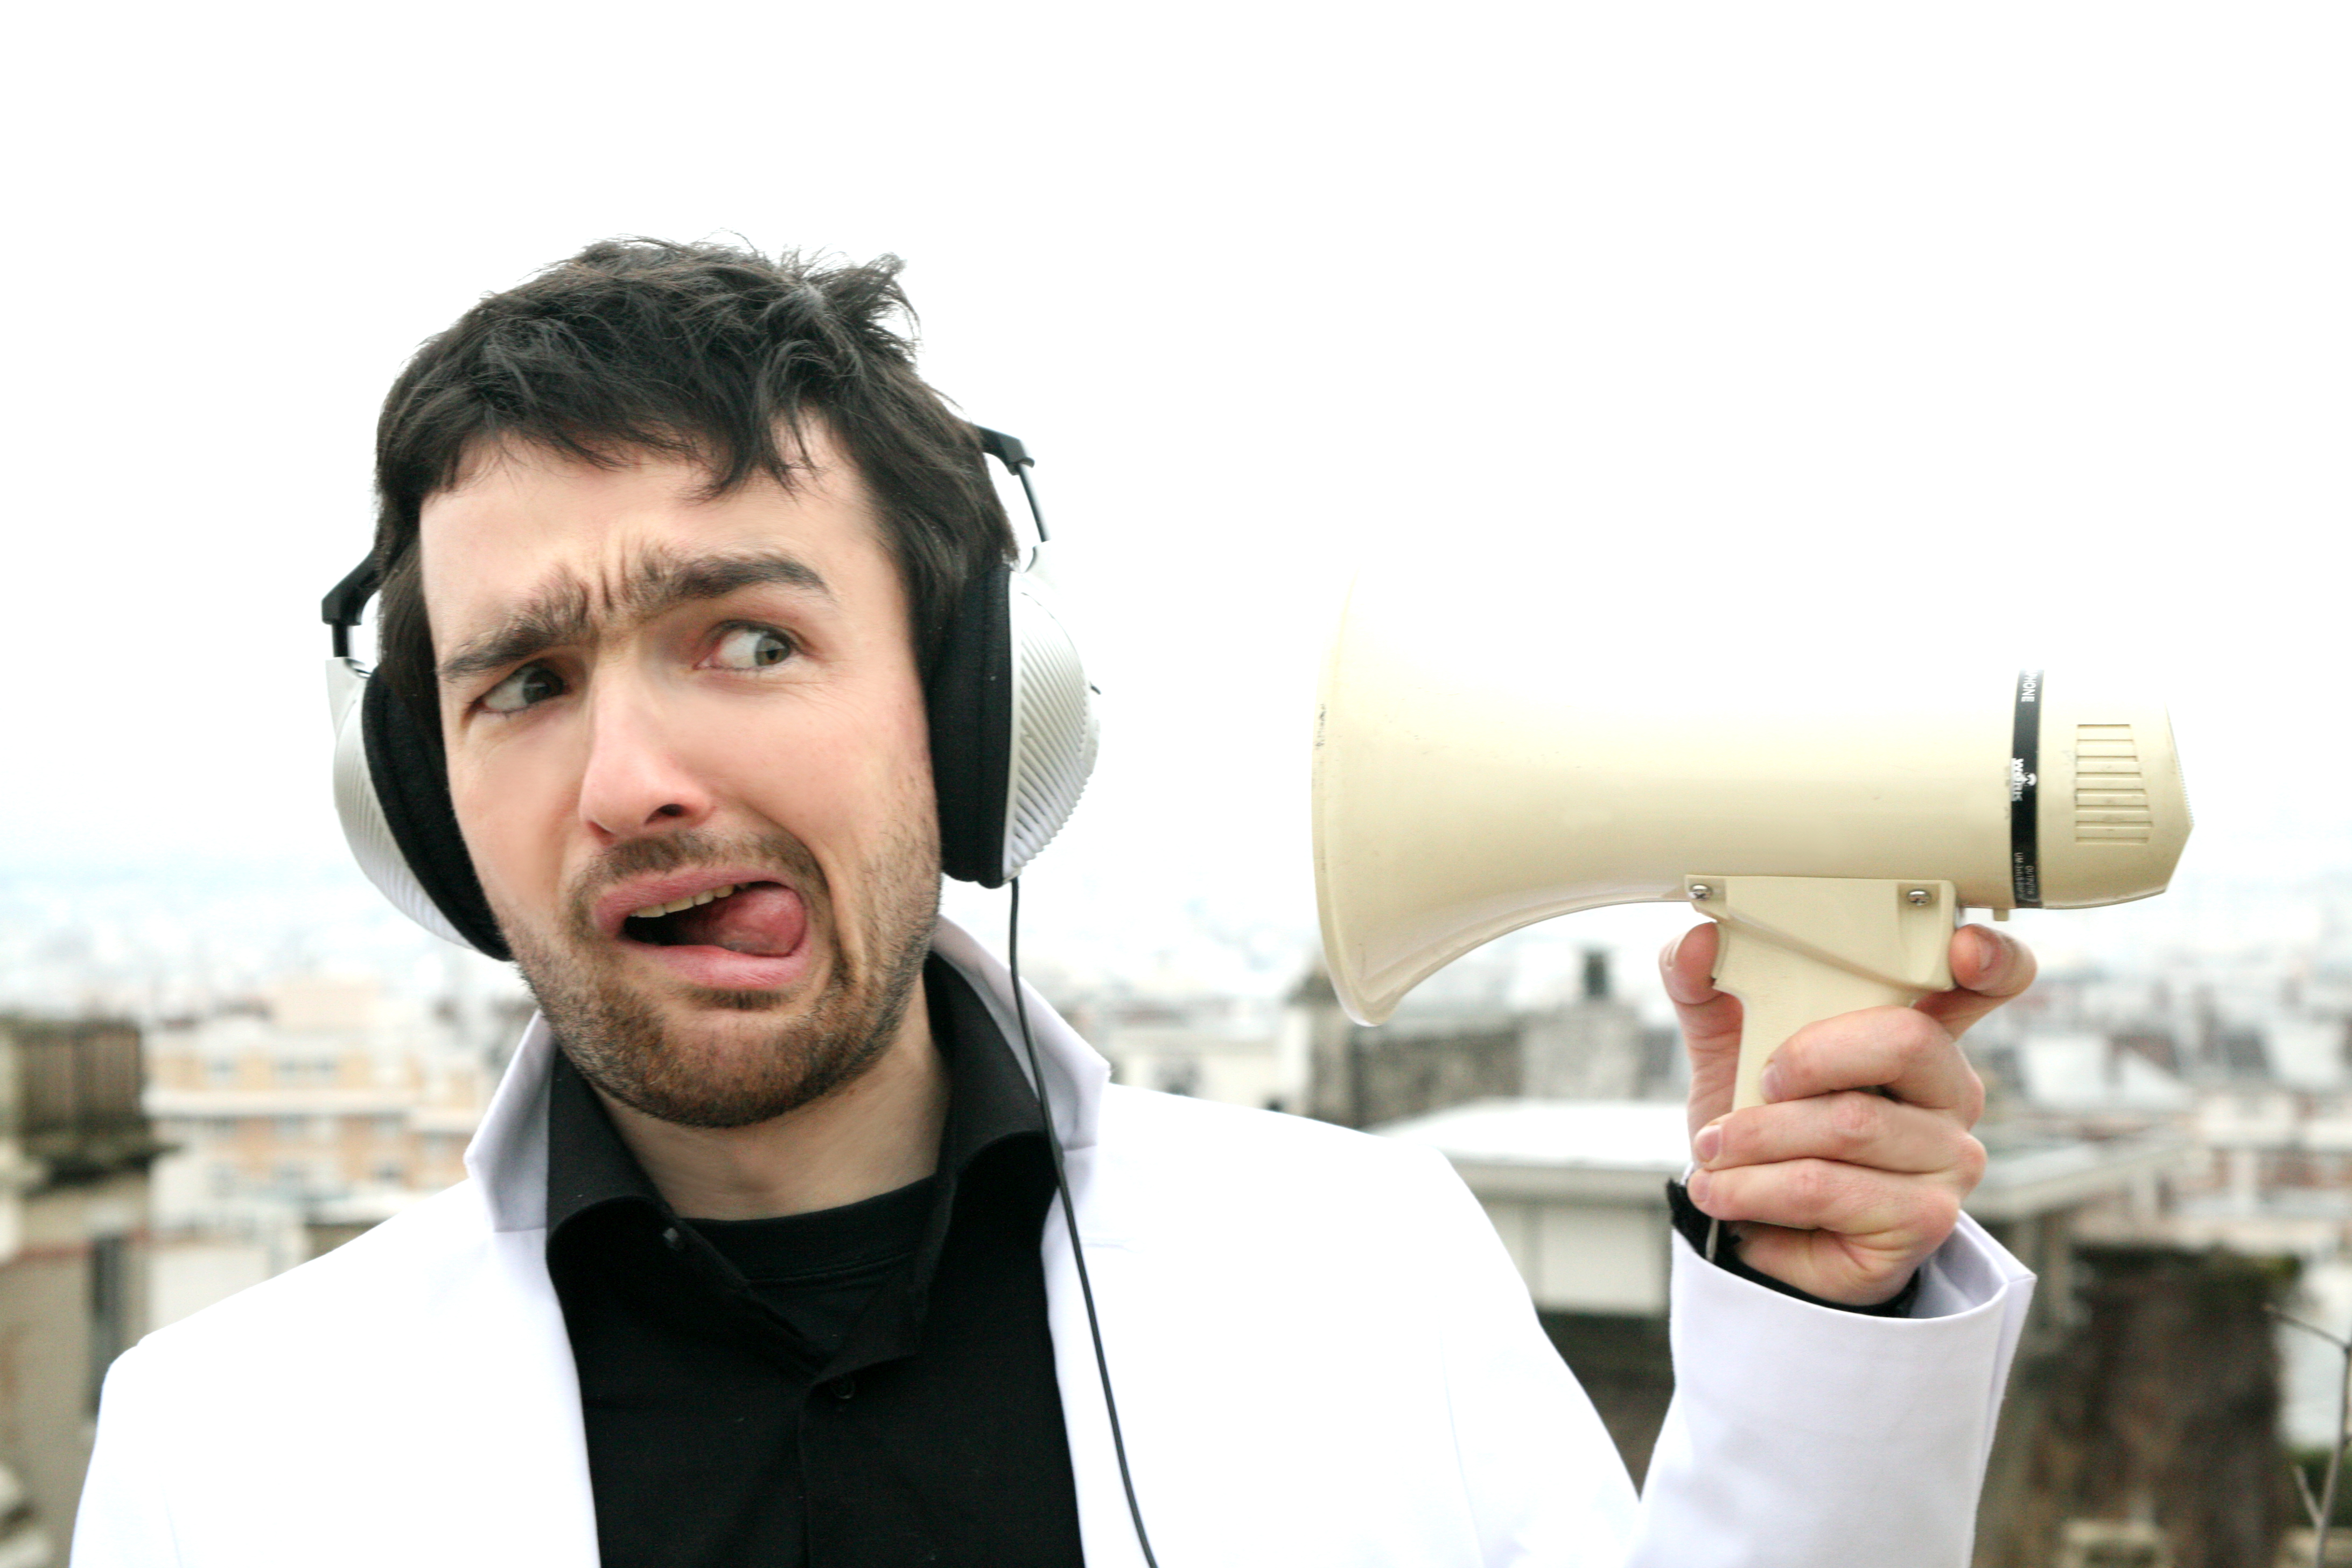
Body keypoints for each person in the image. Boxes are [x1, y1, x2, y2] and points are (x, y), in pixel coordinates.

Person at [73, 239, 2034, 1568]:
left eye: (747, 639)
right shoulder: (222, 1459)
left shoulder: (1367, 1276)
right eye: (522, 685)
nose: (630, 780)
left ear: (978, 705)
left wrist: (1813, 1320)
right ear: (423, 810)